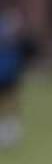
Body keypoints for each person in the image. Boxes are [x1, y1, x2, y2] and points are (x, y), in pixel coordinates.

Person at [0, 9, 34, 149]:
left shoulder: (19, 41)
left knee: (12, 102)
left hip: (11, 75)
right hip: (2, 74)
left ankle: (13, 129)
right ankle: (5, 130)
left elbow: (28, 51)